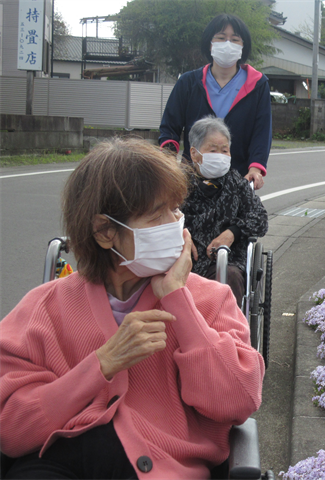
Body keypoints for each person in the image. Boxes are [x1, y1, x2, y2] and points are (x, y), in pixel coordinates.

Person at [0, 138, 264, 480]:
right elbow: (10, 428)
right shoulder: (43, 308)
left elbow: (239, 400)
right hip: (56, 463)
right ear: (105, 231)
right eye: (158, 216)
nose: (176, 224)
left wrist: (177, 301)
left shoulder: (210, 300)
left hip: (163, 468)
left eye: (176, 209)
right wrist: (101, 365)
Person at [159, 13, 272, 190]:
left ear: (243, 46)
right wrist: (168, 163)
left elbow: (262, 132)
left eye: (235, 39)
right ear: (209, 44)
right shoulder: (188, 83)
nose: (227, 44)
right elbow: (169, 128)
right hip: (192, 178)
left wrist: (255, 169)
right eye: (220, 38)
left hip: (238, 179)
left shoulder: (258, 84)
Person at [182, 116, 268, 308]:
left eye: (225, 150)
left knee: (229, 276)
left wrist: (232, 233)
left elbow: (260, 218)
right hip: (184, 259)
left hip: (225, 260)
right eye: (213, 150)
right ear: (195, 154)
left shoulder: (236, 183)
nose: (220, 155)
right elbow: (161, 215)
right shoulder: (179, 183)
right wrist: (179, 234)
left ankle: (230, 333)